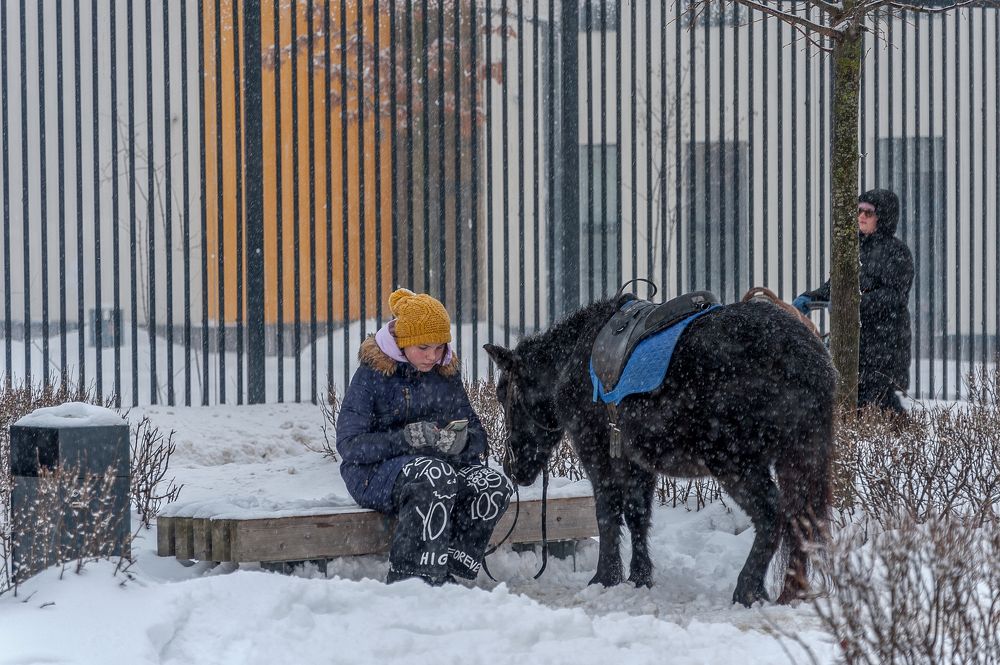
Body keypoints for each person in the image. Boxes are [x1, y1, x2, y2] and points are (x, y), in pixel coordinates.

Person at [336, 288, 513, 585]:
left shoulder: (445, 373)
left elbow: (478, 436)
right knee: (434, 474)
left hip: (437, 466)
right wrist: (406, 439)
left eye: (440, 347)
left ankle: (450, 568)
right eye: (423, 347)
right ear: (403, 343)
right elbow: (350, 446)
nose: (433, 356)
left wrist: (461, 442)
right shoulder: (372, 375)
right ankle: (411, 576)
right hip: (374, 474)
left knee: (492, 484)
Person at [793, 188, 914, 414]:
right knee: (853, 398)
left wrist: (851, 304)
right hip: (856, 343)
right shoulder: (854, 249)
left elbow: (894, 297)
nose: (861, 216)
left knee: (876, 399)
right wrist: (810, 297)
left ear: (883, 216)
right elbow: (837, 286)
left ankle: (897, 441)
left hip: (884, 343)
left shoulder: (897, 253)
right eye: (859, 210)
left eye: (868, 212)